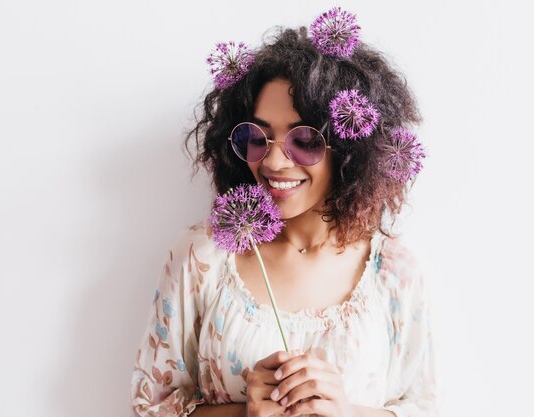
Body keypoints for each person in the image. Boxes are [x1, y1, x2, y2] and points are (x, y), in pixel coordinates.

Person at [130, 8, 439, 417]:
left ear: (350, 150)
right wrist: (244, 413)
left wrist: (344, 412)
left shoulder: (393, 273)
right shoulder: (201, 258)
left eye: (305, 140)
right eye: (257, 136)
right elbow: (150, 407)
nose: (273, 162)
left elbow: (424, 408)